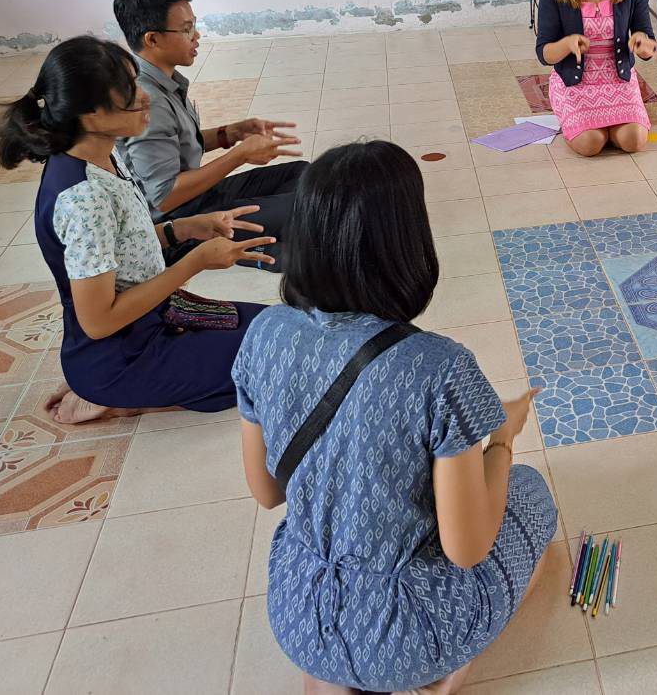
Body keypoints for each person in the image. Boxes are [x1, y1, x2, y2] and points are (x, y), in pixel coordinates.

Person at [233, 141, 556, 695]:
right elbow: (467, 549)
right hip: (408, 632)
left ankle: (330, 677)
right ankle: (439, 676)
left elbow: (267, 493)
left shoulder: (264, 333)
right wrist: (501, 441)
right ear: (407, 243)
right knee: (530, 495)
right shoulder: (439, 366)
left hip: (299, 612)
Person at [0, 36, 277, 425]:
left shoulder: (103, 154)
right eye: (129, 92)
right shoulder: (84, 200)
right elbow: (99, 321)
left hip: (153, 322)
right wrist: (196, 261)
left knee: (276, 328)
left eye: (136, 82)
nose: (144, 96)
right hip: (124, 357)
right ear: (89, 115)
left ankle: (108, 388)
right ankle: (114, 397)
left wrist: (184, 228)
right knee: (274, 358)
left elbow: (123, 246)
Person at [112, 0, 307, 269]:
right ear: (152, 39)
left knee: (305, 176)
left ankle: (280, 236)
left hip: (201, 197)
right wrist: (239, 155)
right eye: (186, 29)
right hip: (180, 222)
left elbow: (177, 145)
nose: (197, 36)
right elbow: (163, 197)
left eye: (194, 25)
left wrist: (231, 133)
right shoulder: (147, 100)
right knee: (308, 207)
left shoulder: (163, 81)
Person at [535, 0, 657, 157]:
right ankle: (583, 120)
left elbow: (647, 41)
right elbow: (544, 53)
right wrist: (567, 44)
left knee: (633, 141)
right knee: (590, 144)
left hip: (618, 81)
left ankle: (611, 126)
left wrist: (643, 44)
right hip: (575, 83)